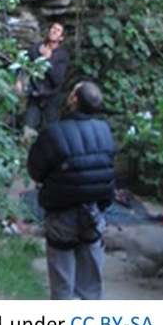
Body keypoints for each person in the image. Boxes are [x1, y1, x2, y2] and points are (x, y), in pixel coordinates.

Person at [27, 80, 116, 300]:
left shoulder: (53, 133)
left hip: (61, 215)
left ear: (74, 99)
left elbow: (35, 172)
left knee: (62, 287)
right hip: (95, 214)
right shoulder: (105, 130)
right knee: (91, 288)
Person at [17, 22, 69, 134]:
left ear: (61, 38)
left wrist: (47, 60)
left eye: (58, 30)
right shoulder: (35, 49)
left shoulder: (62, 55)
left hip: (51, 99)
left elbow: (57, 80)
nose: (54, 31)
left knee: (52, 133)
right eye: (53, 28)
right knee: (27, 130)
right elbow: (23, 65)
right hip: (35, 96)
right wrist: (19, 81)